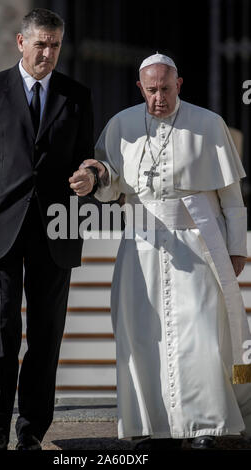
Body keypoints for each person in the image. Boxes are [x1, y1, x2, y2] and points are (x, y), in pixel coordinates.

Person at [69, 53, 251, 450]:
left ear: (179, 84)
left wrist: (237, 250)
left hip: (198, 245)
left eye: (166, 89)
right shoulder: (122, 124)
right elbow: (110, 179)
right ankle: (156, 427)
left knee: (200, 335)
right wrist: (91, 177)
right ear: (140, 88)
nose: (158, 98)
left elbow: (233, 199)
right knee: (143, 335)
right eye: (151, 90)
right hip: (141, 246)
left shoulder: (208, 124)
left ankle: (206, 426)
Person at [0, 8, 95, 450]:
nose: (48, 54)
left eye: (55, 45)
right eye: (40, 45)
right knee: (1, 333)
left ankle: (31, 432)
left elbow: (88, 161)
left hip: (57, 232)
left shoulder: (77, 95)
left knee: (47, 337)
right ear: (20, 42)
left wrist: (90, 179)